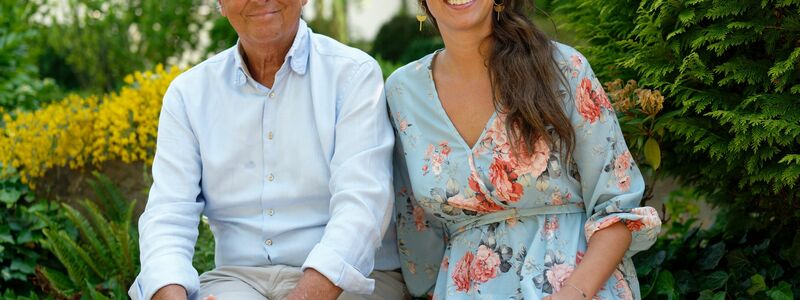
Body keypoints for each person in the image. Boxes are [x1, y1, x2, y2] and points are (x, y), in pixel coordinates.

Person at [128, 0, 405, 299]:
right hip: (236, 281)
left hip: (348, 280)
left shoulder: (353, 76)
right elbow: (168, 213)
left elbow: (363, 206)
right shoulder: (188, 95)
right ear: (220, 4)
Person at [387, 0, 662, 299]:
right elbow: (417, 234)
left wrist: (573, 292)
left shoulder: (562, 69)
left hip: (579, 286)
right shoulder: (403, 91)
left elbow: (618, 208)